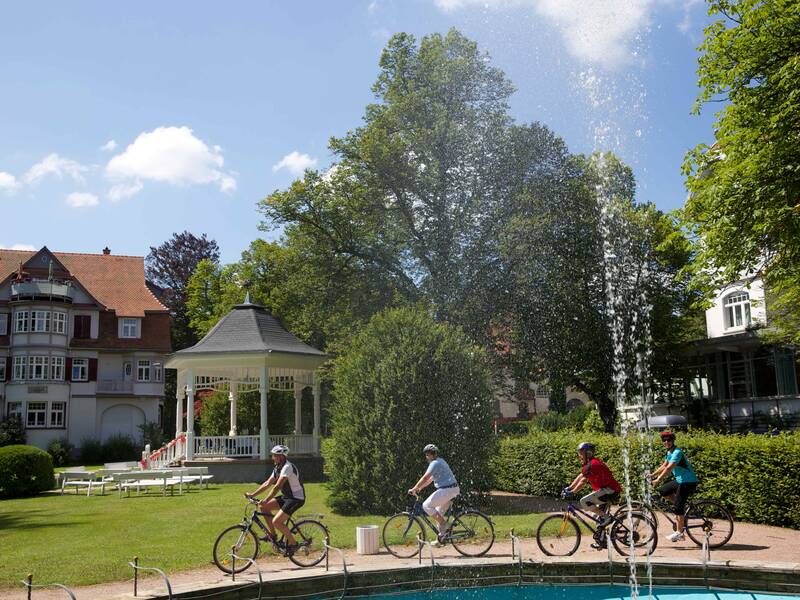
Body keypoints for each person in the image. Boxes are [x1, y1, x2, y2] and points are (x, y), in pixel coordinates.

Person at [246, 444, 305, 551]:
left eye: (275, 455)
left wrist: (266, 499)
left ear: (281, 456)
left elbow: (277, 486)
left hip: (296, 498)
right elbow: (268, 483)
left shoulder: (287, 467)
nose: (272, 457)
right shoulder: (277, 467)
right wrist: (253, 494)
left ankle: (294, 544)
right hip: (287, 497)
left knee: (276, 521)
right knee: (264, 507)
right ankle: (273, 536)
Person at [563, 442, 622, 543]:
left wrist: (573, 492)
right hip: (607, 490)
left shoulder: (593, 464)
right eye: (579, 453)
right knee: (598, 517)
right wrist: (569, 487)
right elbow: (580, 476)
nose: (579, 455)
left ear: (588, 453)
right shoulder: (590, 464)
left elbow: (582, 481)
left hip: (609, 491)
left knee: (584, 502)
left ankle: (607, 518)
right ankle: (602, 540)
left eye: (581, 453)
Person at [651, 430, 698, 542]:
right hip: (680, 480)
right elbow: (664, 465)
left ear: (673, 440)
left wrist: (658, 479)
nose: (667, 442)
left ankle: (680, 533)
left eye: (669, 440)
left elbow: (669, 468)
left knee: (678, 506)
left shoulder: (677, 452)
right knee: (663, 491)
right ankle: (681, 510)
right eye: (664, 440)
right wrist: (652, 474)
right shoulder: (669, 452)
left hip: (688, 481)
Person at [408, 444, 459, 545]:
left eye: (427, 455)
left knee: (426, 506)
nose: (426, 457)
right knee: (438, 515)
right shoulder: (440, 461)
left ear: (430, 455)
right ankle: (442, 538)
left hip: (447, 490)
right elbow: (430, 479)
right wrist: (420, 488)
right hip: (452, 489)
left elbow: (425, 478)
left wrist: (414, 488)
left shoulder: (434, 463)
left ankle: (445, 525)